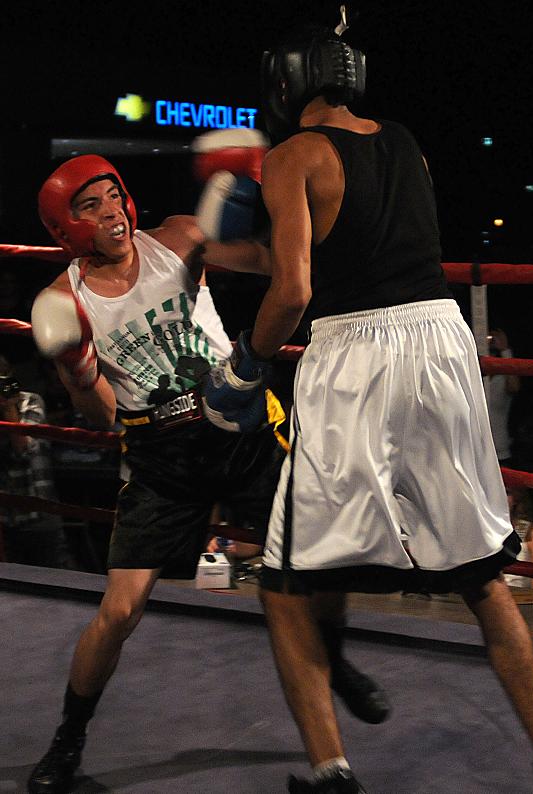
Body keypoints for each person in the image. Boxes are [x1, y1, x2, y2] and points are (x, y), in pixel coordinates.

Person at [203, 22, 533, 794]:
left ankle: (331, 773)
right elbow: (374, 241)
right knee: (481, 571)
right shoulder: (408, 142)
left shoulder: (290, 157)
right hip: (443, 341)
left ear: (285, 82)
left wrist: (246, 361)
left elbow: (298, 289)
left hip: (356, 355)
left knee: (282, 579)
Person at [26, 147, 387, 794]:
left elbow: (280, 265)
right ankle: (68, 739)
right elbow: (102, 417)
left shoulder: (177, 239)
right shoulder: (64, 302)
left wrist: (259, 210)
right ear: (66, 226)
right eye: (90, 204)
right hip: (161, 458)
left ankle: (332, 657)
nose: (110, 210)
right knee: (120, 610)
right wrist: (79, 373)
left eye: (113, 194)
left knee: (312, 558)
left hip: (240, 425)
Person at [0, 354, 76, 569]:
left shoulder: (29, 401)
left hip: (38, 509)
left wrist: (8, 407)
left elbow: (24, 450)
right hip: (6, 516)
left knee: (55, 578)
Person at [503, 484, 533, 590]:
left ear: (516, 498)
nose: (499, 497)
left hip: (521, 601)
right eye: (494, 492)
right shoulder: (478, 531)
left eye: (506, 492)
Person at [486, 328, 520, 466]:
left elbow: (514, 387)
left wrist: (505, 349)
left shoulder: (503, 378)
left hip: (500, 452)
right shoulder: (474, 377)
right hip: (476, 450)